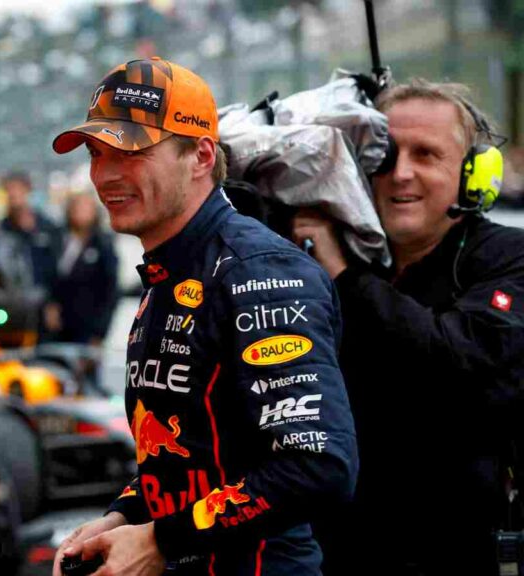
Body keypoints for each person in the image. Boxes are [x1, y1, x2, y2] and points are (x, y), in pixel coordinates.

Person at [50, 57, 358, 576]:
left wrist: (162, 540)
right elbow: (189, 451)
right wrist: (124, 515)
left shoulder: (258, 272)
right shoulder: (169, 273)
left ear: (200, 155)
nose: (105, 175)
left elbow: (316, 465)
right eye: (97, 154)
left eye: (131, 153)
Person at [293, 79, 524, 575]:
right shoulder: (330, 256)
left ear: (472, 174)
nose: (400, 174)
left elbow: (460, 361)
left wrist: (344, 277)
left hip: (456, 555)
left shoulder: (508, 257)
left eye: (426, 155)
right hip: (338, 554)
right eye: (385, 154)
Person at [0, 171, 62, 340]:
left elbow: (57, 268)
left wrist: (53, 304)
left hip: (43, 308)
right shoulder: (1, 230)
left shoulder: (48, 228)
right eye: (9, 190)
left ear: (27, 190)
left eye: (17, 189)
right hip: (13, 309)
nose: (13, 194)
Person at [51, 190, 119, 347]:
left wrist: (99, 333)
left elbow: (111, 291)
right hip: (56, 328)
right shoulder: (56, 240)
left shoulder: (103, 245)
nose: (80, 211)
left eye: (86, 207)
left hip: (88, 329)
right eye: (77, 206)